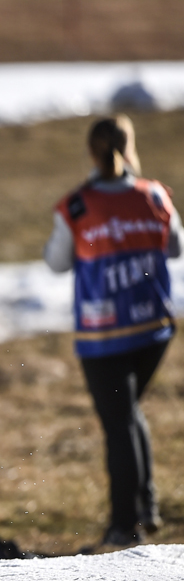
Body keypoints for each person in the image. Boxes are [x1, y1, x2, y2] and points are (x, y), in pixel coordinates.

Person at [44, 115, 181, 547]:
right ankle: (146, 506)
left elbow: (57, 261)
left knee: (119, 422)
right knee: (128, 414)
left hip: (103, 334)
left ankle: (125, 524)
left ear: (91, 151)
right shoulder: (155, 195)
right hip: (154, 326)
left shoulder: (79, 205)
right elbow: (175, 246)